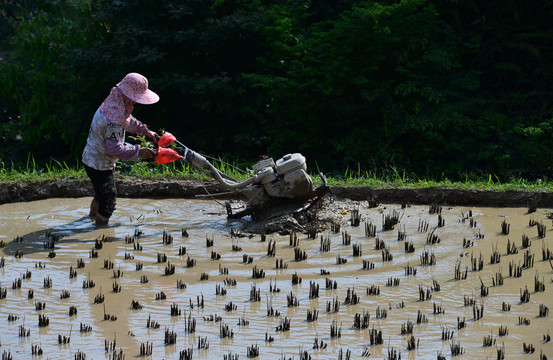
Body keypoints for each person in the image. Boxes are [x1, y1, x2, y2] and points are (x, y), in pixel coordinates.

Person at [82, 73, 159, 226]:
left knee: (101, 193)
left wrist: (144, 131)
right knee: (109, 201)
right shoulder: (115, 117)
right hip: (99, 163)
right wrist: (138, 152)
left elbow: (128, 121)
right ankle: (99, 230)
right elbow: (113, 149)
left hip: (91, 157)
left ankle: (90, 218)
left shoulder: (115, 101)